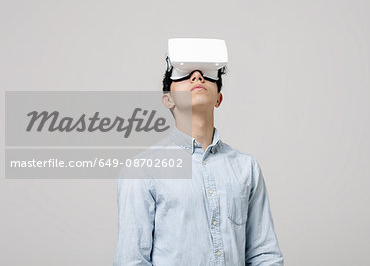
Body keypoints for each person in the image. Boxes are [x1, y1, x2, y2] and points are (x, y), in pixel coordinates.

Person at [114, 39, 284, 265]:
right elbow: (131, 260)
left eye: (206, 74)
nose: (197, 77)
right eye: (184, 75)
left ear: (218, 98)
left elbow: (264, 254)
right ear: (168, 99)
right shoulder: (143, 170)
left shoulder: (246, 168)